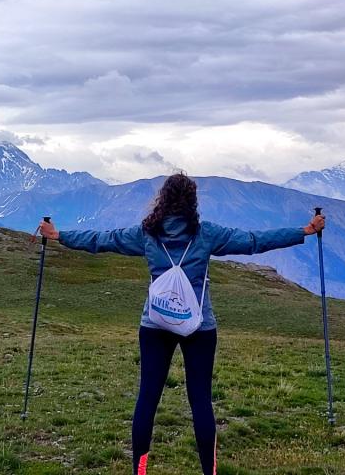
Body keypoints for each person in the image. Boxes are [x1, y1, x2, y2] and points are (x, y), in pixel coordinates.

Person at [37, 172, 325, 475]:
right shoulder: (206, 234)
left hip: (155, 324)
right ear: (192, 202)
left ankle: (140, 471)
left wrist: (59, 236)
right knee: (200, 401)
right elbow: (254, 241)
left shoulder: (146, 234)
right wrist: (304, 231)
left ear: (162, 200)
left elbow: (102, 240)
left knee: (147, 398)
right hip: (199, 326)